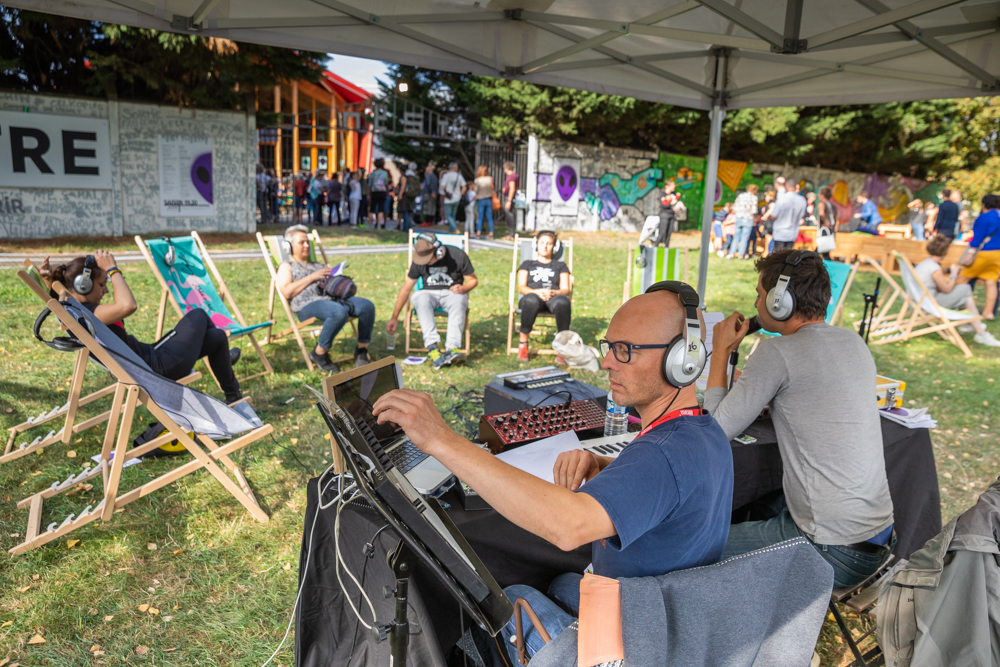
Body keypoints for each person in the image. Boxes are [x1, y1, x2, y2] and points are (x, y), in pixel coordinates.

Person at [371, 287, 733, 664]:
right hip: (668, 617)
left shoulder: (661, 455)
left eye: (626, 350)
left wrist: (441, 440)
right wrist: (606, 468)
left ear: (683, 360)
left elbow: (567, 527)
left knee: (508, 601)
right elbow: (671, 490)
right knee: (562, 583)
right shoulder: (702, 431)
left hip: (638, 647)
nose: (608, 362)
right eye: (609, 345)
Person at [704, 250, 895, 588]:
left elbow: (714, 431)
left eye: (761, 296)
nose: (756, 303)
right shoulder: (853, 342)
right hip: (878, 540)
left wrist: (721, 352)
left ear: (781, 303)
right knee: (760, 501)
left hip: (830, 550)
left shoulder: (777, 351)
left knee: (695, 545)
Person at [43, 250, 244, 403]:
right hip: (157, 369)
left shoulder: (73, 311)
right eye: (103, 284)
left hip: (150, 359)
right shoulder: (88, 315)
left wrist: (47, 280)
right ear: (83, 286)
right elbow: (128, 305)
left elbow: (59, 297)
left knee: (217, 337)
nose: (106, 290)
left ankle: (233, 396)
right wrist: (112, 270)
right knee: (198, 314)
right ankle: (226, 363)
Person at [275, 225, 374, 371]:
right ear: (288, 247)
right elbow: (287, 292)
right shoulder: (287, 266)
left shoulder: (318, 265)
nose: (306, 245)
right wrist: (313, 276)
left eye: (308, 242)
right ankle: (319, 353)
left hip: (333, 299)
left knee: (366, 306)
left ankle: (361, 350)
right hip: (306, 305)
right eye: (301, 242)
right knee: (338, 312)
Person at [386, 233, 477, 369]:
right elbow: (406, 289)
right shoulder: (418, 262)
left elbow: (473, 280)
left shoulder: (458, 255)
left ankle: (452, 349)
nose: (424, 262)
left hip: (452, 294)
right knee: (419, 297)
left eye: (427, 259)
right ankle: (432, 347)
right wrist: (394, 317)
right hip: (428, 294)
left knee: (459, 301)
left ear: (439, 251)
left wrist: (463, 288)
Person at [913, 234, 999, 345]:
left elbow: (941, 288)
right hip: (929, 304)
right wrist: (953, 275)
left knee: (967, 298)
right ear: (945, 252)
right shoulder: (935, 268)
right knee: (965, 288)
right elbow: (947, 290)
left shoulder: (925, 263)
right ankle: (976, 329)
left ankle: (974, 327)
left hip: (920, 301)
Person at [516, 231, 572, 362]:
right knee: (530, 300)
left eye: (549, 244)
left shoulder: (560, 266)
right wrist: (537, 292)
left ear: (554, 247)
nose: (545, 246)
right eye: (542, 243)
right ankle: (523, 345)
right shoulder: (527, 264)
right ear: (536, 245)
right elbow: (521, 287)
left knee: (563, 302)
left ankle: (562, 348)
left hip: (554, 297)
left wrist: (554, 293)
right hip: (532, 297)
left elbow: (566, 289)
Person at [955, 195, 1000, 320]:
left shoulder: (984, 217)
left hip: (984, 252)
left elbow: (977, 237)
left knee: (963, 278)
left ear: (983, 204)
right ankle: (988, 312)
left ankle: (962, 308)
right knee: (991, 282)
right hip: (997, 254)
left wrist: (969, 254)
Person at [763, 183, 806, 251]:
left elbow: (773, 216)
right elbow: (801, 216)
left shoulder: (782, 199)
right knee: (787, 254)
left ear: (786, 187)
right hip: (792, 233)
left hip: (780, 232)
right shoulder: (802, 200)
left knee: (778, 255)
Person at [438, 161, 467, 234]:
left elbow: (442, 187)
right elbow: (464, 187)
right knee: (453, 216)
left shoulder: (446, 176)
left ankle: (455, 229)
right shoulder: (459, 176)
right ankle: (451, 231)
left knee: (448, 215)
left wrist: (445, 193)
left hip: (448, 198)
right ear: (455, 168)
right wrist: (460, 194)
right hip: (457, 198)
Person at [732, 184, 758, 259]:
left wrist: (739, 213)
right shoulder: (754, 198)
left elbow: (734, 207)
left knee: (736, 236)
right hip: (748, 219)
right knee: (744, 237)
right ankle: (740, 255)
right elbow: (754, 210)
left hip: (739, 217)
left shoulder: (741, 195)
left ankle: (732, 254)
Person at [473, 165, 496, 239]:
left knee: (480, 217)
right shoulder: (489, 179)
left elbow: (475, 190)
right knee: (489, 217)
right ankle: (491, 232)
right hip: (489, 199)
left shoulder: (477, 180)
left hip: (481, 199)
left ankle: (478, 232)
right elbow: (492, 188)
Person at [368, 159, 390, 229]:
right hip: (382, 191)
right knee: (381, 209)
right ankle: (379, 225)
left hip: (374, 191)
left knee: (372, 209)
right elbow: (386, 182)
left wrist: (369, 194)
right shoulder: (385, 173)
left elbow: (370, 184)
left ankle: (369, 224)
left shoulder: (373, 173)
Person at [657, 179, 679, 247]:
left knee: (669, 233)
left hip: (671, 215)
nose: (674, 186)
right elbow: (664, 205)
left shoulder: (673, 194)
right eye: (672, 185)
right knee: (662, 232)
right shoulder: (663, 194)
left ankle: (666, 247)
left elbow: (675, 203)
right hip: (664, 215)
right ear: (667, 186)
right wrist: (671, 203)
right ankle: (655, 246)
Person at [397, 162, 418, 233]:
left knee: (405, 213)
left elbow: (403, 186)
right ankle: (408, 228)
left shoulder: (403, 177)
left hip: (405, 197)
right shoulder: (409, 175)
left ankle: (407, 228)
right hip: (408, 196)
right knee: (407, 213)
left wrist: (400, 194)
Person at [502, 161, 520, 236]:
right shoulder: (514, 176)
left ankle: (512, 234)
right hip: (510, 197)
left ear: (507, 168)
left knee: (509, 215)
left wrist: (509, 200)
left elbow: (512, 188)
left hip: (509, 198)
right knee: (509, 214)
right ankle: (511, 233)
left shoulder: (512, 176)